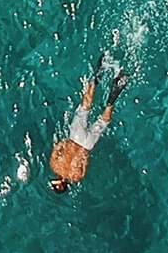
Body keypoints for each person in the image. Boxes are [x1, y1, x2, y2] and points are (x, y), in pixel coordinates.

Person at [49, 58, 130, 193]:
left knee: (103, 121)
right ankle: (97, 75)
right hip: (74, 138)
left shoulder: (76, 177)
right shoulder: (55, 166)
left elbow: (85, 162)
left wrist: (83, 152)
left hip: (87, 145)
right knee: (85, 107)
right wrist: (65, 143)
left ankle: (113, 95)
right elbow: (58, 147)